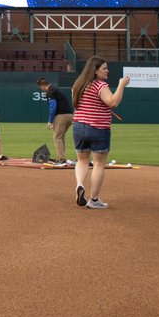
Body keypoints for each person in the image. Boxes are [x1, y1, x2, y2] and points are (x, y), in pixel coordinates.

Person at [70, 56, 130, 209]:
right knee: (98, 164)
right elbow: (113, 102)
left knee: (82, 160)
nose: (107, 71)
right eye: (104, 68)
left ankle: (79, 185)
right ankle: (94, 200)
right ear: (95, 71)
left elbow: (76, 105)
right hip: (98, 128)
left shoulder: (77, 85)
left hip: (78, 127)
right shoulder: (100, 85)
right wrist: (121, 85)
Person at [37, 77, 75, 166]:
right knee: (61, 137)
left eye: (40, 87)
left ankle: (61, 159)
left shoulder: (50, 92)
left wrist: (50, 121)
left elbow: (53, 106)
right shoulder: (55, 89)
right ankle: (61, 157)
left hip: (61, 116)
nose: (41, 89)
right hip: (70, 116)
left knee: (57, 137)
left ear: (42, 86)